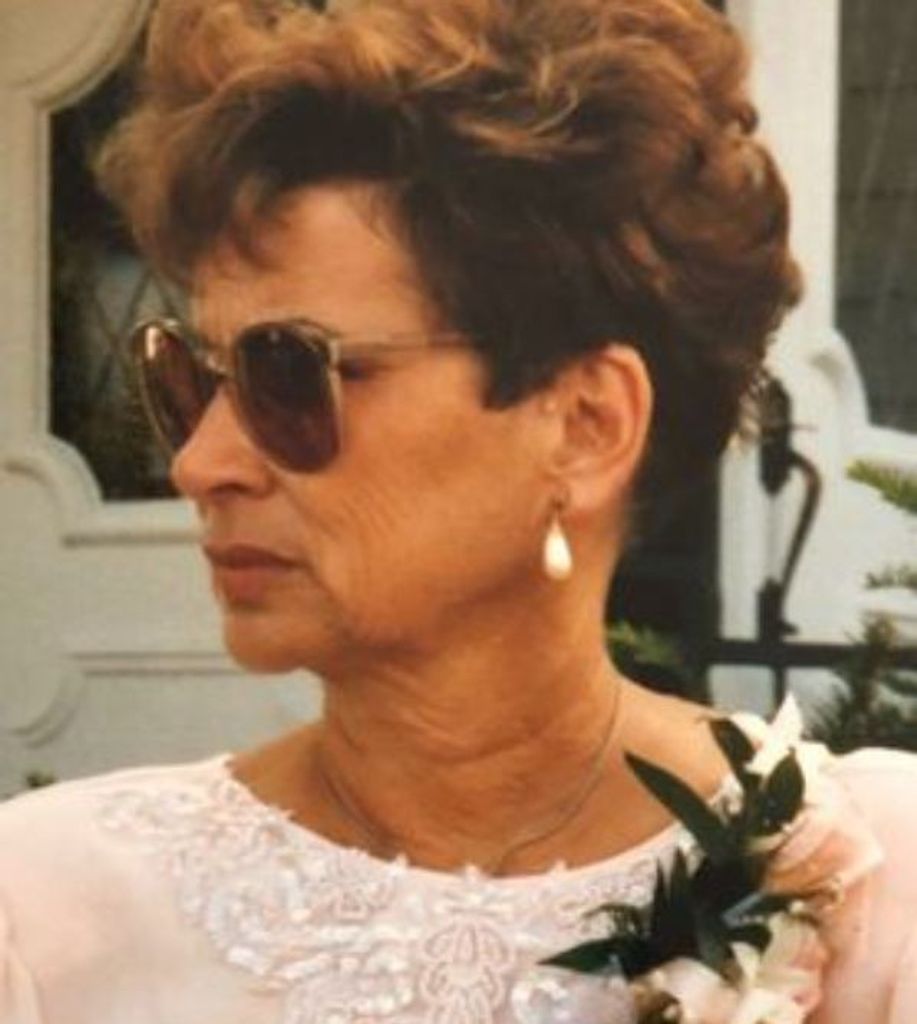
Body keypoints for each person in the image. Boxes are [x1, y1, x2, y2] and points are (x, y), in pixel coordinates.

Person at [1, 0, 915, 1021]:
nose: (200, 463)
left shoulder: (875, 896)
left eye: (285, 372)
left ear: (584, 426)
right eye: (187, 378)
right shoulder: (45, 920)